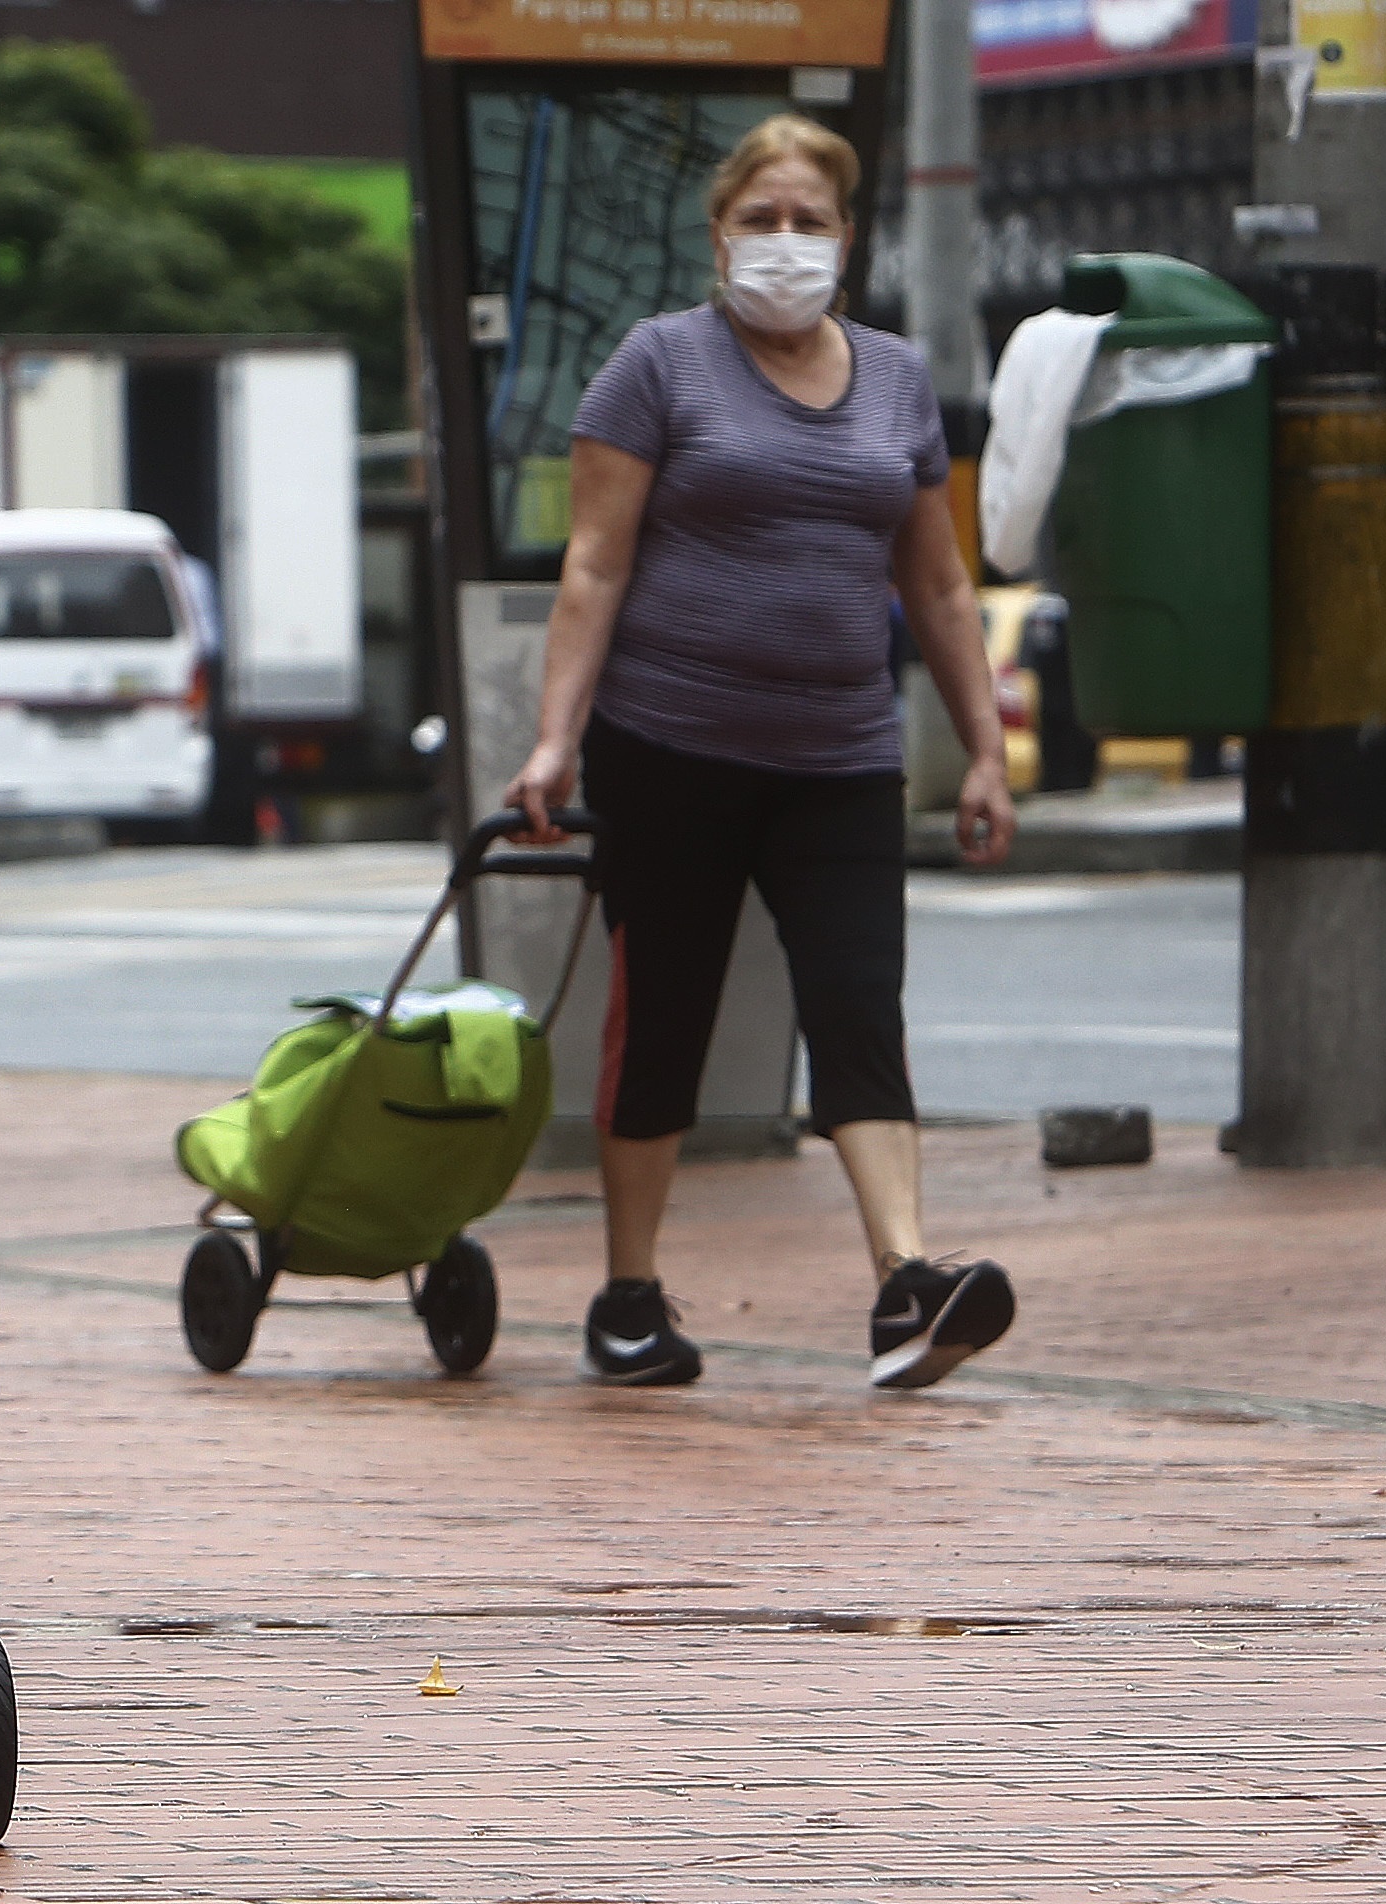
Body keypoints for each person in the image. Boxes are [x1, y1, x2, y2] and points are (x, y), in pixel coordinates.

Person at [501, 113, 1019, 1393]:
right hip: (668, 747)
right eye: (762, 219)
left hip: (840, 754)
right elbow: (595, 564)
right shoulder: (657, 365)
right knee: (663, 1016)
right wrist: (556, 741)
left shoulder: (897, 380)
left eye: (812, 221)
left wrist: (988, 750)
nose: (785, 243)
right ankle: (628, 1297)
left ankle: (906, 1282)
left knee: (857, 1001)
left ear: (849, 239)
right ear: (719, 232)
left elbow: (944, 589)